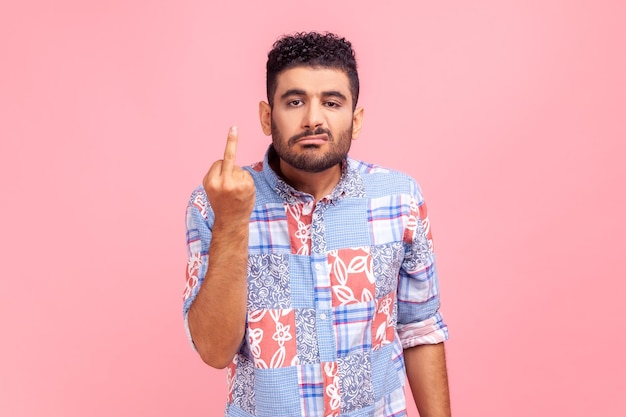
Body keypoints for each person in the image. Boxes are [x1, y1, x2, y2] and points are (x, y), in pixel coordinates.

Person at [183, 31, 451, 417]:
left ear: (355, 120)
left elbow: (420, 329)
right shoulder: (215, 202)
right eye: (294, 101)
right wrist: (233, 221)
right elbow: (214, 350)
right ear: (266, 116)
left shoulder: (399, 199)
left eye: (331, 102)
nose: (313, 119)